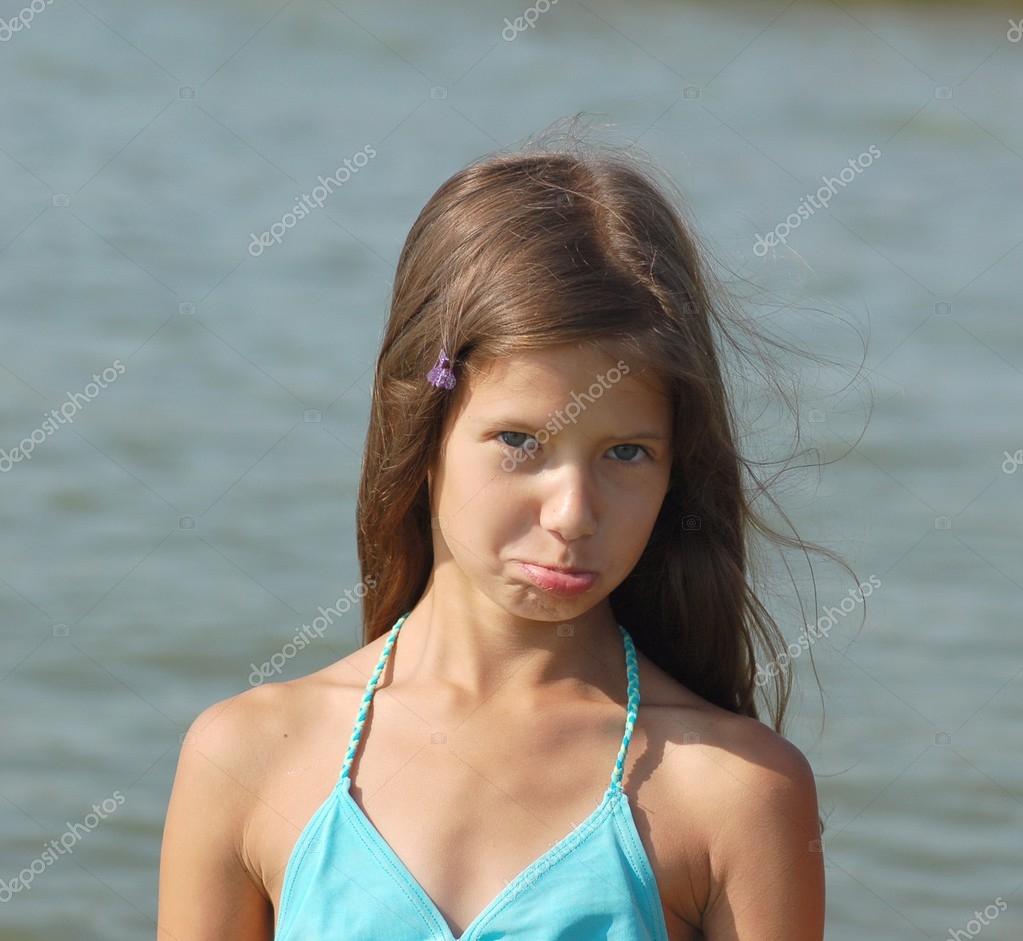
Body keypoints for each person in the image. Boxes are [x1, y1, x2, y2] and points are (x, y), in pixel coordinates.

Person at [158, 141, 827, 940]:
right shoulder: (248, 757)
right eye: (519, 441)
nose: (573, 513)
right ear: (423, 431)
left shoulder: (735, 792)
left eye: (625, 452)